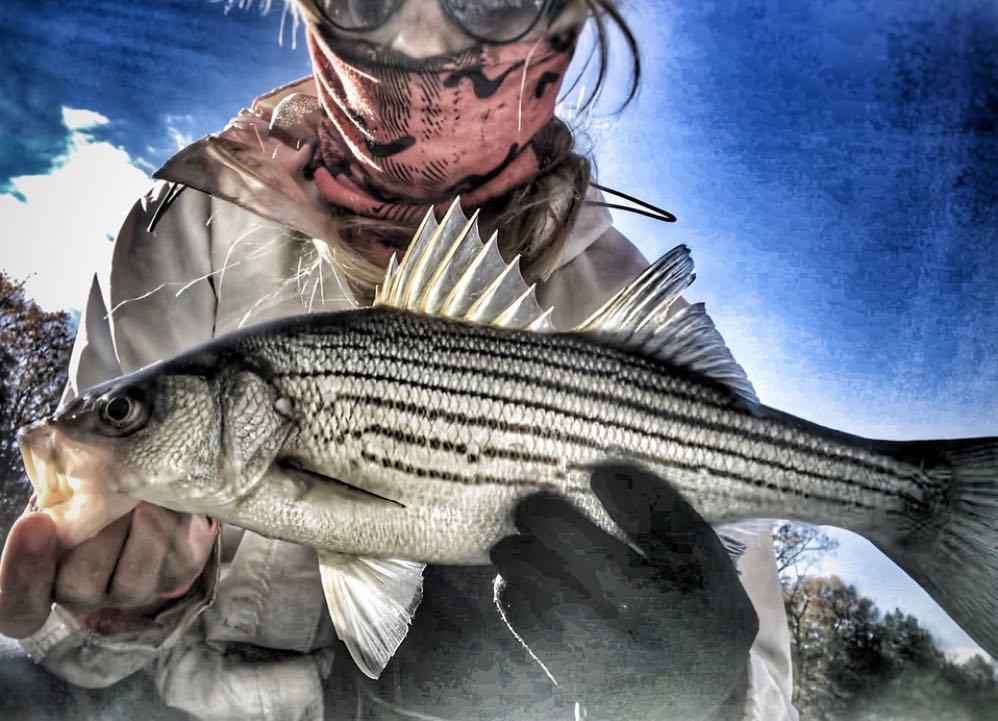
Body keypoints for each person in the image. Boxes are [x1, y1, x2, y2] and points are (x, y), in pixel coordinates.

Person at [0, 1, 797, 719]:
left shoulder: (635, 317)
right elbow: (66, 650)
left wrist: (705, 697)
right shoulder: (183, 229)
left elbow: (765, 693)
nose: (416, 42)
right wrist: (112, 616)